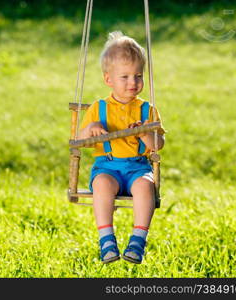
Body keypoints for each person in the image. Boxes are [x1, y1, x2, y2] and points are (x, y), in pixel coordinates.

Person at [78, 31, 165, 264]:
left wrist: (146, 134)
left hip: (138, 168)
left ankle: (138, 240)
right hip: (108, 167)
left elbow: (159, 145)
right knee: (102, 185)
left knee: (146, 188)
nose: (133, 83)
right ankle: (106, 239)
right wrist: (92, 128)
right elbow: (80, 140)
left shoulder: (148, 110)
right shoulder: (99, 108)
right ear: (109, 80)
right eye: (124, 77)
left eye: (138, 76)